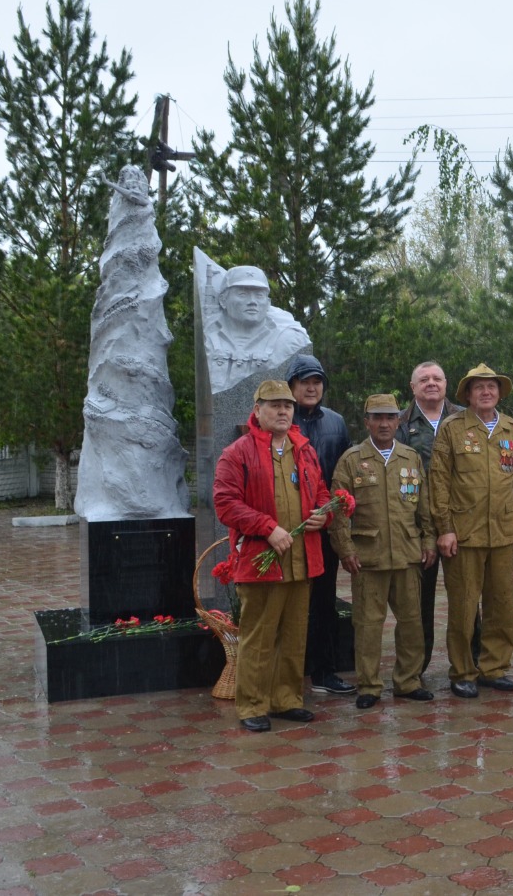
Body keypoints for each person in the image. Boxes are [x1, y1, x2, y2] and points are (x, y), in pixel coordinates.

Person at [212, 379, 332, 732]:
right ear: (257, 410)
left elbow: (321, 491)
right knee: (259, 636)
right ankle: (251, 705)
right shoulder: (237, 452)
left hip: (301, 560)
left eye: (288, 406)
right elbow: (225, 504)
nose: (283, 411)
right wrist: (266, 526)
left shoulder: (304, 449)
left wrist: (323, 512)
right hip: (261, 561)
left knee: (294, 635)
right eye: (274, 405)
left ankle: (286, 699)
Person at [429, 364, 513, 698]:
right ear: (468, 395)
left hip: (502, 533)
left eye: (492, 387)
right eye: (479, 388)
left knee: (501, 605)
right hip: (464, 533)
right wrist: (445, 529)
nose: (486, 392)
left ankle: (494, 668)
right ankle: (462, 671)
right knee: (463, 607)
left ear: (499, 393)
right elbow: (439, 481)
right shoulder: (452, 428)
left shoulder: (511, 429)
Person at [330, 394, 436, 709]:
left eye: (390, 417)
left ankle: (407, 681)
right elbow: (338, 511)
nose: (384, 423)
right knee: (367, 625)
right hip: (368, 558)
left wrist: (429, 540)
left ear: (399, 420)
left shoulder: (411, 458)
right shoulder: (351, 460)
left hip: (406, 554)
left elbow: (424, 506)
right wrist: (345, 548)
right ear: (367, 422)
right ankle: (369, 686)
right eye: (377, 417)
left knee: (412, 622)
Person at [286, 354, 355, 699]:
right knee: (291, 602)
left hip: (323, 526)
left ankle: (324, 671)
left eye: (317, 382)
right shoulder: (282, 419)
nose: (312, 387)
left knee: (324, 603)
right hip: (287, 529)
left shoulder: (336, 422)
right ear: (292, 387)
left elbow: (342, 476)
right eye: (304, 382)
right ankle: (285, 674)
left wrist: (332, 515)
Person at [394, 361, 465, 676]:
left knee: (465, 600)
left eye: (437, 378)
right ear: (413, 387)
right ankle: (415, 671)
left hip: (462, 525)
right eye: (424, 379)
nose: (431, 383)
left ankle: (469, 665)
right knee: (417, 605)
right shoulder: (398, 424)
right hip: (417, 527)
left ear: (446, 384)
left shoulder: (465, 418)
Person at [204, 265, 310, 394]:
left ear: (268, 303)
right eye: (243, 294)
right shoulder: (207, 338)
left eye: (259, 295)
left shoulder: (290, 340)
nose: (252, 301)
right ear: (223, 300)